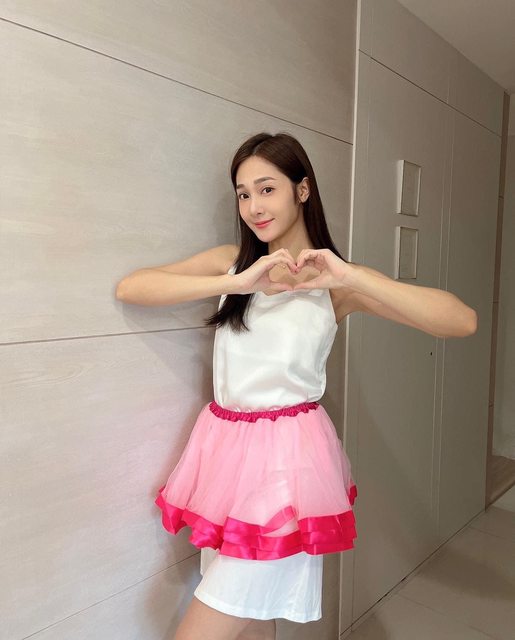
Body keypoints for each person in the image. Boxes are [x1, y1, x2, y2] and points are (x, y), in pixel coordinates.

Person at [115, 132, 478, 640]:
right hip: (226, 463)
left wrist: (350, 276)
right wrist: (237, 283)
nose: (254, 207)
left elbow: (459, 321)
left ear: (302, 190)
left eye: (267, 189)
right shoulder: (232, 263)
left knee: (211, 621)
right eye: (243, 194)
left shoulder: (337, 285)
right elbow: (132, 288)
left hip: (288, 471)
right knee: (248, 619)